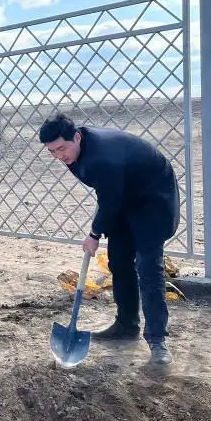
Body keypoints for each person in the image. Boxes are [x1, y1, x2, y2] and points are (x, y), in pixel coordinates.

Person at [38, 112, 178, 366]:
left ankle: (157, 339)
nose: (59, 156)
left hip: (153, 198)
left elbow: (109, 195)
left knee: (148, 266)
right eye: (53, 152)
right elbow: (109, 193)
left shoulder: (101, 156)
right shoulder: (77, 152)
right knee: (119, 260)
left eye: (62, 149)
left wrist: (94, 234)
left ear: (77, 137)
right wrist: (102, 225)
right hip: (124, 197)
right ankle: (126, 325)